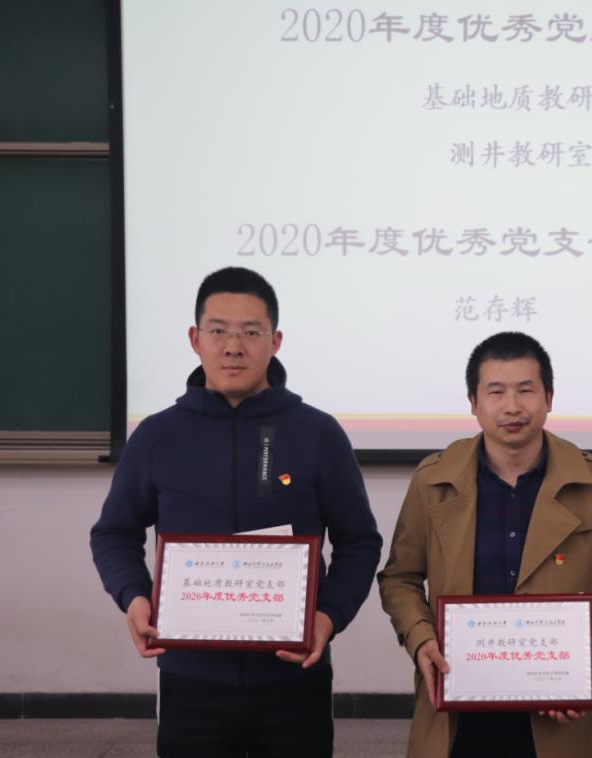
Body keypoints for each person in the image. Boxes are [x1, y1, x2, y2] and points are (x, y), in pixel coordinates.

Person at [90, 266, 382, 757]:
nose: (233, 347)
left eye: (251, 332)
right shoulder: (157, 436)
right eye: (218, 330)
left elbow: (359, 541)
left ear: (275, 341)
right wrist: (134, 596)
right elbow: (114, 533)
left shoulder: (318, 433)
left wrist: (328, 616)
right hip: (190, 678)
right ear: (195, 339)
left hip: (292, 676)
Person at [378, 331, 592, 758]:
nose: (512, 407)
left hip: (558, 708)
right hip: (458, 703)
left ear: (549, 398)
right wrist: (420, 637)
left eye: (526, 390)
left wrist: (584, 665)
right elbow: (400, 578)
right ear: (473, 402)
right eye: (496, 392)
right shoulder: (433, 481)